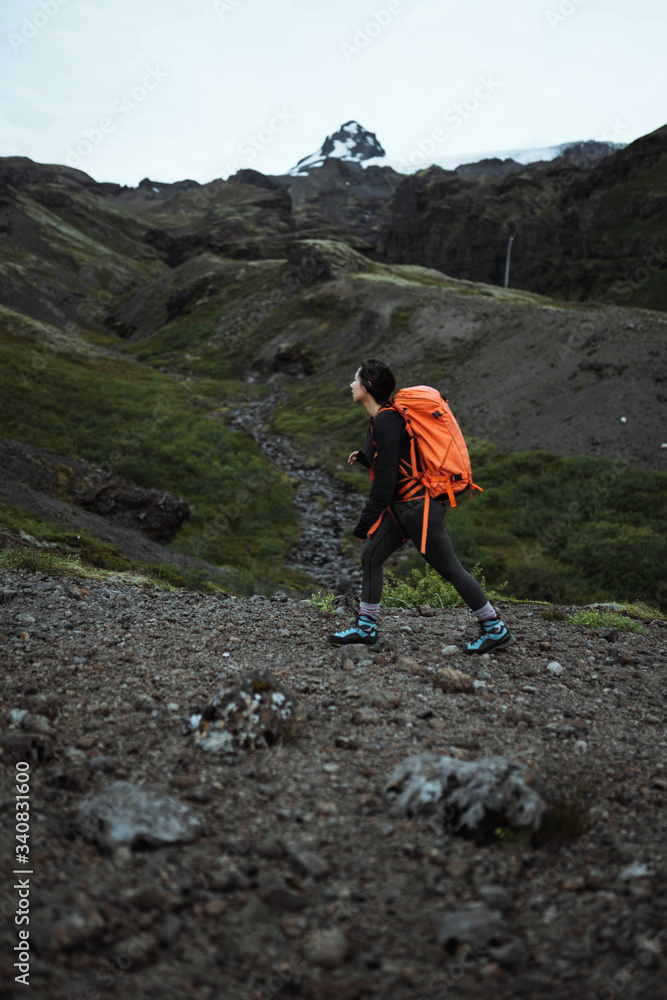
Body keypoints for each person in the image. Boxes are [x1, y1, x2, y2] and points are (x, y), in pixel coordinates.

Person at [328, 358, 514, 654]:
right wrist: (367, 459)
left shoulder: (387, 419)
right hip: (406, 507)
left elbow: (385, 482)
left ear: (368, 386)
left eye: (355, 379)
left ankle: (495, 628)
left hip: (418, 509)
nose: (351, 385)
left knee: (450, 569)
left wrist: (366, 521)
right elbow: (396, 461)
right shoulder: (383, 418)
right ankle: (366, 630)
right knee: (372, 557)